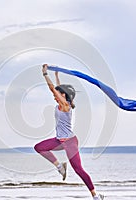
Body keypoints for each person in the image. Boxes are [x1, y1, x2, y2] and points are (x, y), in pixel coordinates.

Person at [34, 64, 104, 200]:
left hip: (70, 142)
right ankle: (60, 166)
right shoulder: (61, 103)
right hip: (59, 141)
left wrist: (45, 74)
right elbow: (58, 90)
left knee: (78, 169)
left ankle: (95, 196)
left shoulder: (65, 106)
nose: (54, 97)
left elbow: (52, 89)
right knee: (39, 147)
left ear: (63, 96)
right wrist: (56, 76)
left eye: (57, 95)